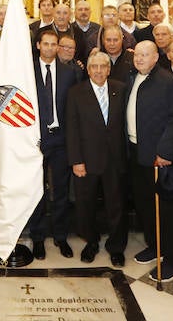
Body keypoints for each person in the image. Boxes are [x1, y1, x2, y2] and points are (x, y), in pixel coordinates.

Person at [124, 41, 173, 278]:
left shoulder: (169, 82)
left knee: (165, 208)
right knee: (144, 205)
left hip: (158, 157)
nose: (139, 59)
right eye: (137, 55)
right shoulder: (133, 77)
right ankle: (156, 246)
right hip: (135, 151)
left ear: (156, 57)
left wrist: (165, 152)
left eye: (145, 55)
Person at [67, 51, 127, 266]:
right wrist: (76, 160)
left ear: (109, 69)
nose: (99, 71)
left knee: (116, 206)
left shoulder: (121, 89)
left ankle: (116, 247)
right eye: (95, 67)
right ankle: (90, 242)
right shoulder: (75, 93)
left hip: (115, 160)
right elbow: (72, 129)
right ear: (88, 69)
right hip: (86, 160)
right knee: (86, 205)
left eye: (103, 66)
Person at [28, 29, 79, 260]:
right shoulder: (26, 72)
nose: (49, 48)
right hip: (35, 139)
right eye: (45, 44)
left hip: (61, 140)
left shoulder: (70, 73)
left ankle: (60, 236)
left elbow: (74, 108)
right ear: (38, 45)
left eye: (54, 44)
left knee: (60, 191)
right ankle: (37, 238)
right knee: (36, 191)